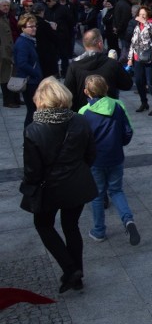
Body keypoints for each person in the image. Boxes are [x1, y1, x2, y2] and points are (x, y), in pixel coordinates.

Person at [22, 78, 97, 293]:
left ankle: (71, 268)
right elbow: (91, 153)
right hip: (77, 184)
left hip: (50, 188)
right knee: (71, 226)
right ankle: (77, 273)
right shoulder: (79, 120)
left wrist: (31, 187)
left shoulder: (34, 129)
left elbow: (32, 171)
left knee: (44, 225)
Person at [78, 75, 139, 246]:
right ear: (106, 89)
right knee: (117, 191)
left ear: (86, 92)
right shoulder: (118, 106)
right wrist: (120, 144)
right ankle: (128, 220)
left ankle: (99, 231)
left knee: (97, 196)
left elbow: (80, 139)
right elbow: (128, 131)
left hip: (95, 161)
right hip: (115, 157)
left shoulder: (83, 113)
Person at [64, 29, 133, 111]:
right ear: (100, 44)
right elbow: (127, 84)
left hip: (83, 114)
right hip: (108, 113)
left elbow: (67, 92)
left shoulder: (74, 66)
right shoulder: (112, 64)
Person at [127, 6, 152, 115]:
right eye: (140, 14)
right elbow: (133, 42)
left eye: (144, 14)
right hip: (138, 57)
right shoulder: (137, 26)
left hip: (151, 57)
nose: (142, 16)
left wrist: (145, 22)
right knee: (138, 81)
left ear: (148, 14)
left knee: (151, 82)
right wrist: (130, 58)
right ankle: (144, 102)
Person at [13, 14, 43, 127]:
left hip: (33, 80)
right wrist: (37, 74)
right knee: (32, 111)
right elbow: (22, 63)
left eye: (35, 26)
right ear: (23, 28)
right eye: (30, 26)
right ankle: (28, 138)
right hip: (30, 82)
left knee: (33, 111)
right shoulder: (23, 43)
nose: (34, 28)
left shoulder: (29, 40)